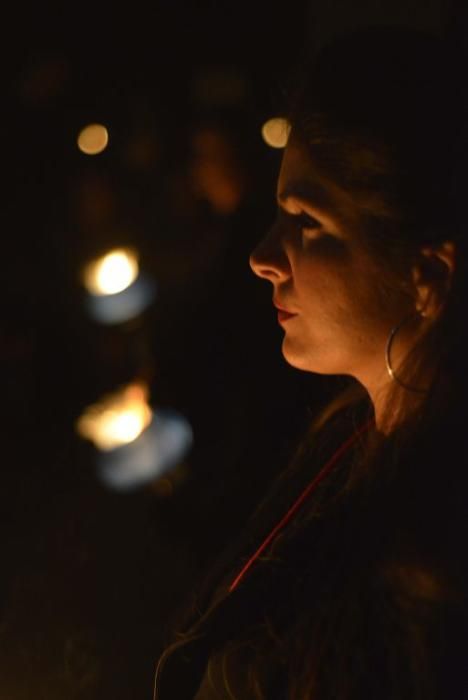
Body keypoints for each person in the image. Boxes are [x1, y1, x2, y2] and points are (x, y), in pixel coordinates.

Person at [153, 25, 468, 699]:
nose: (261, 257)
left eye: (307, 221)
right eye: (276, 212)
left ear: (428, 273)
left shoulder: (433, 566)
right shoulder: (346, 437)